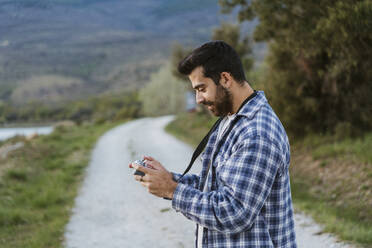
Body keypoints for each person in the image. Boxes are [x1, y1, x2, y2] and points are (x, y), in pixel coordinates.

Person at [130, 41, 297, 247]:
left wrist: (172, 190)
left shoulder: (257, 133)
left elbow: (234, 213)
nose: (198, 99)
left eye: (202, 88)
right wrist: (169, 178)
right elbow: (217, 187)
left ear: (225, 78)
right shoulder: (233, 119)